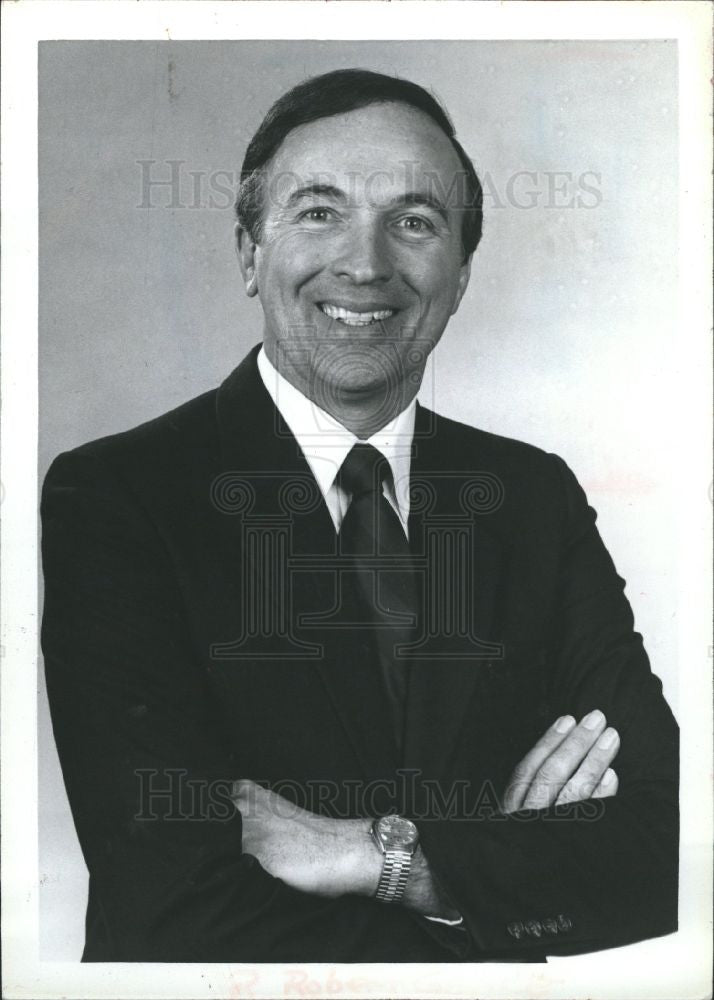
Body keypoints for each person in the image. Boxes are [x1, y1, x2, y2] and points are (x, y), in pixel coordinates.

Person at [41, 68, 679, 963]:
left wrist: (381, 858)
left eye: (414, 222)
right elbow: (172, 901)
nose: (366, 264)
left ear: (459, 274)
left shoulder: (532, 496)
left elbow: (668, 847)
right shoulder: (116, 496)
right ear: (247, 251)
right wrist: (493, 870)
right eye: (318, 212)